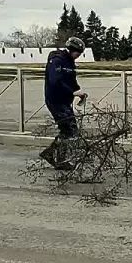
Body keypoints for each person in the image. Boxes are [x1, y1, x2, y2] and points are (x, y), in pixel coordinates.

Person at [39, 37, 87, 170]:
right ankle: (58, 158)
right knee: (69, 130)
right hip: (55, 100)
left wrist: (79, 91)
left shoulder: (70, 62)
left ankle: (52, 155)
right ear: (71, 49)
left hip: (64, 101)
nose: (78, 56)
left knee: (68, 130)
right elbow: (56, 81)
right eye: (78, 52)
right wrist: (72, 92)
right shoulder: (57, 60)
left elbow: (71, 80)